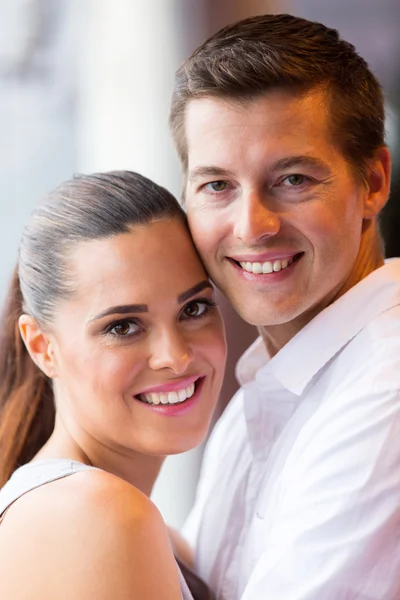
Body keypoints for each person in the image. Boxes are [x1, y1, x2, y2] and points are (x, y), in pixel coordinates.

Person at [169, 13, 400, 600]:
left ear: (372, 182)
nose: (252, 227)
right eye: (217, 185)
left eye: (292, 179)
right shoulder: (258, 400)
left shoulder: (386, 388)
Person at [0, 170, 227, 599]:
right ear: (42, 347)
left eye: (194, 308)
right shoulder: (93, 516)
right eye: (123, 326)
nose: (175, 356)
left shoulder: (153, 535)